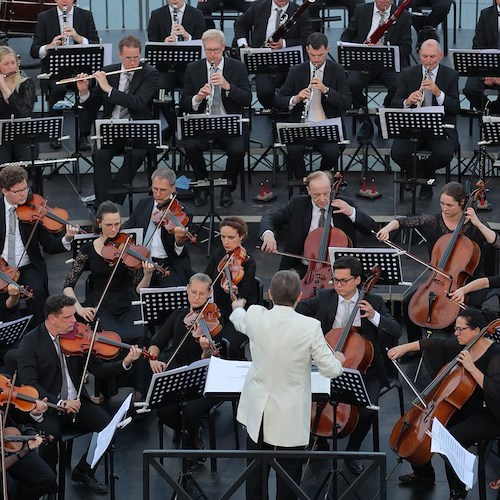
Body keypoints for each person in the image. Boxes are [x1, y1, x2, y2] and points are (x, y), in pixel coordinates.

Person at [230, 270, 345, 499]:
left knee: (255, 469)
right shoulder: (310, 326)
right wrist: (339, 361)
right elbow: (330, 370)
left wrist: (237, 306)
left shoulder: (255, 315)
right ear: (299, 297)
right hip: (289, 414)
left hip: (258, 409)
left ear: (270, 295)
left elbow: (239, 320)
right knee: (289, 473)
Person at [16, 294, 142, 493]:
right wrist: (59, 403)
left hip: (77, 403)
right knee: (49, 439)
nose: (75, 321)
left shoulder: (77, 337)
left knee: (109, 428)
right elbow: (29, 384)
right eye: (68, 318)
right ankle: (49, 487)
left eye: (74, 316)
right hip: (48, 407)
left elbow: (99, 369)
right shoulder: (30, 343)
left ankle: (84, 470)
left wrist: (126, 363)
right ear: (52, 319)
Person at [296, 256, 401, 474]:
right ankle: (320, 441)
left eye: (344, 281)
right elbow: (298, 311)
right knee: (307, 396)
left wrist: (373, 316)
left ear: (358, 280)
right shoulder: (325, 296)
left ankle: (352, 453)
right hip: (327, 361)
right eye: (335, 280)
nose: (338, 285)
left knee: (368, 409)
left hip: (364, 368)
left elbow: (395, 330)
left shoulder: (375, 302)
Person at [387, 307, 500, 500]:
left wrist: (471, 368)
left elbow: (495, 390)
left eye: (460, 329)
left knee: (451, 439)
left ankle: (458, 490)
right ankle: (424, 475)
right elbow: (435, 343)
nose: (455, 333)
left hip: (491, 412)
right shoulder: (463, 344)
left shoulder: (495, 354)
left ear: (477, 331)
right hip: (466, 406)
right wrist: (404, 347)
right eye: (455, 328)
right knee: (430, 430)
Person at [377, 181, 500, 344]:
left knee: (471, 312)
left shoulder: (475, 224)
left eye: (449, 205)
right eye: (442, 203)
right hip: (438, 280)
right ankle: (414, 346)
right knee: (409, 303)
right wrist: (387, 229)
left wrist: (477, 223)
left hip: (472, 280)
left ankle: (465, 347)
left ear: (462, 202)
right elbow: (402, 221)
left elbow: (497, 243)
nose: (444, 208)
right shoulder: (433, 221)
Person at [63, 201, 154, 398]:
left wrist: (146, 275)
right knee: (104, 340)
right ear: (99, 224)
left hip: (127, 301)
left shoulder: (129, 249)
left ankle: (139, 391)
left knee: (140, 335)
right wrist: (79, 309)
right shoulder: (88, 249)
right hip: (100, 304)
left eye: (117, 224)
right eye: (109, 225)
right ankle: (106, 390)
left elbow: (139, 289)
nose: (114, 229)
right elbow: (68, 285)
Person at [147, 273, 226, 463]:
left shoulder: (214, 320)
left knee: (191, 410)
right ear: (187, 290)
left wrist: (206, 351)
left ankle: (190, 436)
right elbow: (157, 341)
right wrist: (153, 359)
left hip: (202, 377)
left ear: (209, 294)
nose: (197, 297)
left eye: (201, 293)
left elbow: (208, 361)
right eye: (193, 292)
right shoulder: (178, 315)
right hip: (177, 373)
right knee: (163, 410)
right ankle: (190, 434)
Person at [76, 35, 160, 206]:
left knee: (136, 155)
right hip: (111, 128)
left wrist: (109, 89)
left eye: (136, 57)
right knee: (99, 156)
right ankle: (105, 205)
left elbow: (138, 102)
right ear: (120, 56)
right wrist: (84, 92)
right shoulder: (109, 72)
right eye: (128, 58)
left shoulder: (149, 73)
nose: (132, 62)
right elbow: (92, 106)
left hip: (138, 129)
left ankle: (111, 200)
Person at [0, 165, 78, 326]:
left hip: (27, 266)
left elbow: (49, 244)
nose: (24, 194)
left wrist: (67, 238)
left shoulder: (34, 209)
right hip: (2, 268)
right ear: (5, 191)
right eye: (18, 191)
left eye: (25, 188)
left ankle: (38, 333)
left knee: (38, 292)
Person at [181, 29, 251, 208]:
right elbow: (184, 102)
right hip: (203, 124)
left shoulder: (237, 67)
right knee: (190, 145)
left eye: (216, 50)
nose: (212, 55)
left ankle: (227, 185)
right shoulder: (193, 68)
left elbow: (247, 99)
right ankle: (202, 184)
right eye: (208, 50)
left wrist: (228, 87)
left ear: (223, 48)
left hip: (229, 123)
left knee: (238, 149)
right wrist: (198, 97)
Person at [260, 171, 378, 276]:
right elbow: (270, 217)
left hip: (339, 270)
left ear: (331, 189)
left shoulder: (345, 204)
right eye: (317, 195)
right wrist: (268, 234)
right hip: (303, 267)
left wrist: (352, 212)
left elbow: (372, 229)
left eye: (326, 194)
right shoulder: (297, 204)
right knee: (286, 284)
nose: (322, 199)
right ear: (309, 191)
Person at [275, 32, 352, 180]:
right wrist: (296, 98)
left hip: (326, 125)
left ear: (328, 50)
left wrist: (326, 90)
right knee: (294, 151)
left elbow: (347, 101)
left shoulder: (337, 70)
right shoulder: (296, 70)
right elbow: (279, 100)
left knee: (332, 153)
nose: (316, 59)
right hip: (301, 126)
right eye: (312, 55)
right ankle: (303, 183)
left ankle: (319, 180)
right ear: (307, 50)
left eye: (321, 55)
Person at [390, 39, 459, 200]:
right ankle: (424, 179)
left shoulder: (451, 75)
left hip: (441, 125)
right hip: (413, 125)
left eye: (432, 57)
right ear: (419, 55)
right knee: (398, 153)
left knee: (445, 153)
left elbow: (455, 108)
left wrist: (438, 93)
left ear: (440, 56)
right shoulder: (408, 74)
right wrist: (407, 101)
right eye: (424, 56)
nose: (428, 61)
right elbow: (394, 102)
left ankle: (419, 176)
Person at [30, 0, 99, 150]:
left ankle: (84, 136)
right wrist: (49, 46)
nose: (64, 0)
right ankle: (55, 133)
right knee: (58, 89)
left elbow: (95, 42)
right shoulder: (44, 17)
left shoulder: (85, 16)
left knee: (86, 89)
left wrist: (79, 38)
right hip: (54, 73)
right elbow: (34, 50)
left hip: (80, 70)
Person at [340, 0, 411, 140]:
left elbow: (406, 47)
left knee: (400, 85)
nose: (383, 1)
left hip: (388, 62)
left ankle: (383, 112)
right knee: (351, 84)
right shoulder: (361, 10)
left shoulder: (403, 15)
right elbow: (348, 34)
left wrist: (385, 49)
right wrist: (360, 46)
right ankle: (365, 120)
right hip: (364, 60)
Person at [123, 167, 194, 288]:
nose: (158, 194)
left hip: (169, 263)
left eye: (163, 190)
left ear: (173, 188)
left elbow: (180, 253)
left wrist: (179, 241)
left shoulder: (183, 214)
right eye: (155, 189)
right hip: (141, 260)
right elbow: (128, 227)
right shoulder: (144, 204)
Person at [233, 0, 312, 110]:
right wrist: (244, 46)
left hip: (290, 61)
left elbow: (306, 40)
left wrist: (283, 44)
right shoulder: (258, 7)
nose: (281, 1)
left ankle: (287, 110)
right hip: (262, 60)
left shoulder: (300, 11)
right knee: (264, 92)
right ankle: (274, 110)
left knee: (296, 88)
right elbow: (240, 24)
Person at [147, 0, 206, 142]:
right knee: (158, 90)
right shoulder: (156, 14)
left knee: (195, 89)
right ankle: (175, 126)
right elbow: (152, 40)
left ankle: (178, 126)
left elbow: (203, 42)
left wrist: (187, 37)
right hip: (165, 67)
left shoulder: (197, 14)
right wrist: (163, 44)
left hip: (189, 67)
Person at [204, 217, 257, 357]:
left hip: (237, 313)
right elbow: (207, 277)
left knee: (228, 343)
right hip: (217, 308)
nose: (226, 242)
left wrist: (234, 291)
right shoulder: (219, 254)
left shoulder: (248, 263)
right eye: (222, 237)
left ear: (241, 236)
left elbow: (244, 294)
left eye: (231, 237)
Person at [0, 46, 37, 164]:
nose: (11, 67)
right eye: (6, 64)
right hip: (1, 134)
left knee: (26, 166)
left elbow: (24, 112)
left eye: (13, 62)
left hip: (23, 133)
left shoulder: (26, 83)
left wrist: (5, 88)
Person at [463, 0, 500, 115]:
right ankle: (491, 111)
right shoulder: (485, 14)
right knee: (470, 89)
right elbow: (478, 45)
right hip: (486, 66)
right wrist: (487, 73)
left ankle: (494, 111)